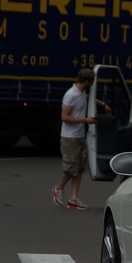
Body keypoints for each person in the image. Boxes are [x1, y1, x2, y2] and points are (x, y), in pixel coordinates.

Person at [51, 68, 110, 210]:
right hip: (69, 137)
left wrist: (102, 104)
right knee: (70, 168)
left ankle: (73, 199)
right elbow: (64, 117)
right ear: (87, 81)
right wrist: (85, 120)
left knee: (79, 168)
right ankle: (58, 188)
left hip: (79, 136)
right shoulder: (70, 95)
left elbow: (88, 98)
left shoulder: (82, 92)